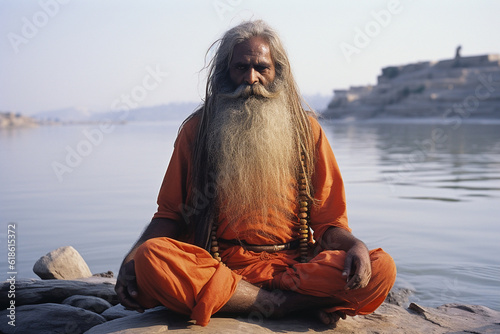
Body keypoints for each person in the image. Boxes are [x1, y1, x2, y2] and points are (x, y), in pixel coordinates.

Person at [115, 20, 396, 327]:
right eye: (240, 68)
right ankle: (284, 307)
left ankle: (249, 301)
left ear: (278, 72)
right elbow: (170, 214)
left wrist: (354, 246)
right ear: (226, 73)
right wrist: (131, 260)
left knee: (381, 267)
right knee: (152, 258)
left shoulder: (306, 132)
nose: (251, 79)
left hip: (294, 269)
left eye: (262, 68)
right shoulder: (197, 131)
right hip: (220, 266)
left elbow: (329, 223)